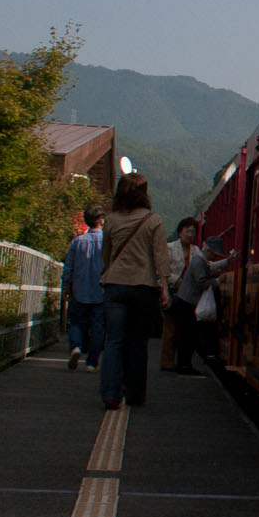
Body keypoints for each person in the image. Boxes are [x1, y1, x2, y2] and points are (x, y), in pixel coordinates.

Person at [98, 173, 170, 410]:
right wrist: (165, 288)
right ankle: (135, 395)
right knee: (138, 342)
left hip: (115, 285)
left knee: (114, 341)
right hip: (144, 287)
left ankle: (111, 394)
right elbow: (160, 257)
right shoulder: (153, 220)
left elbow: (106, 254)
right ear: (144, 193)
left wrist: (112, 270)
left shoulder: (111, 220)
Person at [174, 234, 234, 373]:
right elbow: (202, 282)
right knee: (188, 336)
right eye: (214, 253)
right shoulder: (199, 262)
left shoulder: (200, 260)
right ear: (209, 250)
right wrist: (217, 281)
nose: (215, 256)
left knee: (187, 335)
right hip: (188, 303)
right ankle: (184, 365)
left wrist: (228, 261)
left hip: (186, 301)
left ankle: (184, 364)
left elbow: (210, 268)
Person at [61, 205, 106, 371]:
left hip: (79, 289)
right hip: (101, 291)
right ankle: (92, 363)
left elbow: (68, 267)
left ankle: (76, 347)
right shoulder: (108, 242)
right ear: (102, 221)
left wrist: (66, 286)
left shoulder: (77, 241)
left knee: (76, 322)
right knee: (98, 327)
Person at [161, 217, 199, 369]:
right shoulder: (169, 248)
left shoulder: (196, 251)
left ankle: (181, 361)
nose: (190, 234)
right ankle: (167, 362)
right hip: (173, 291)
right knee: (170, 328)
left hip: (188, 296)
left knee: (184, 329)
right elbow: (163, 270)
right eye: (187, 231)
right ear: (180, 232)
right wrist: (177, 280)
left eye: (193, 232)